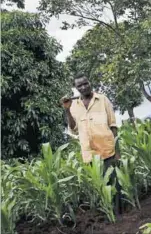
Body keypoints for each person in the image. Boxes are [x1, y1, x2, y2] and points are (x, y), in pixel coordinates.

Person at [60, 73, 122, 214]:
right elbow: (74, 130)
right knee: (100, 186)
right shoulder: (74, 105)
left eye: (85, 83)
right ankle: (108, 215)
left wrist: (117, 152)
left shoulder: (102, 99)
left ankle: (120, 215)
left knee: (115, 185)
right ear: (75, 88)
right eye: (79, 85)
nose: (83, 87)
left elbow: (113, 125)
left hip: (108, 150)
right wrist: (67, 110)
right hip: (90, 154)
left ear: (90, 83)